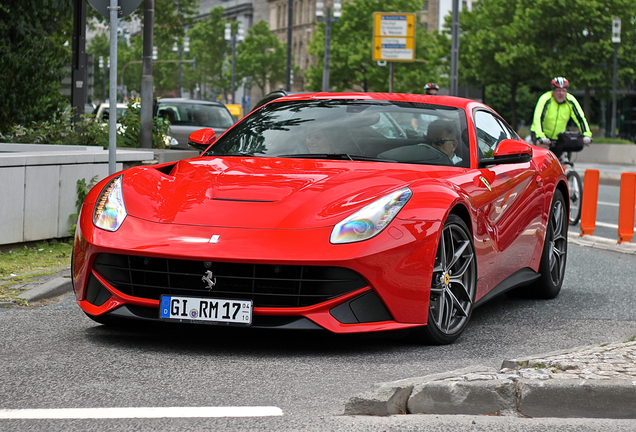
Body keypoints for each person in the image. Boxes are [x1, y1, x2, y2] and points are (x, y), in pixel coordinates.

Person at [530, 77, 592, 158]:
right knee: (543, 154)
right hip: (541, 134)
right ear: (553, 91)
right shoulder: (545, 99)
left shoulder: (570, 101)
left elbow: (580, 118)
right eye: (558, 90)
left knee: (563, 162)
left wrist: (586, 134)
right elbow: (538, 118)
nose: (561, 93)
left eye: (564, 91)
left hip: (558, 136)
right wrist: (540, 136)